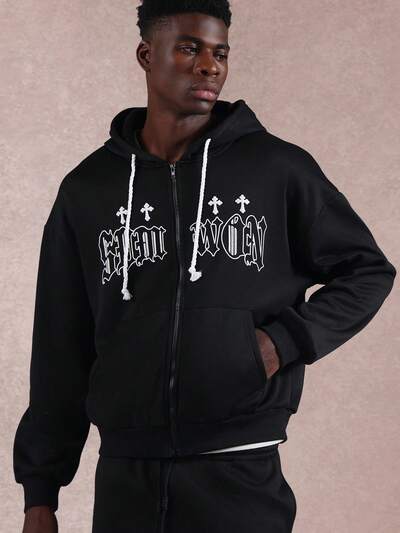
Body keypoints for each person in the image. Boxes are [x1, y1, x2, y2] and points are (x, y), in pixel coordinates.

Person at [13, 1, 396, 532]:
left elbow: (368, 271)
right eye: (190, 48)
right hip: (126, 481)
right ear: (147, 54)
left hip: (240, 476)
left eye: (220, 53)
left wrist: (278, 344)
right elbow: (60, 342)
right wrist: (41, 494)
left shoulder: (276, 168)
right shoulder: (88, 189)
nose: (209, 66)